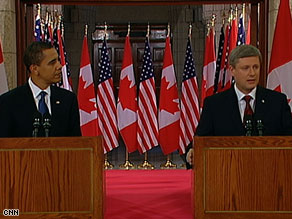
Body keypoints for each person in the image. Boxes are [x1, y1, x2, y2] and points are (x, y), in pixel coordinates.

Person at [186, 44, 292, 166]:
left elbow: (288, 140)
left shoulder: (277, 101)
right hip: (227, 174)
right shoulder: (215, 104)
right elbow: (201, 140)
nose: (252, 73)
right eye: (245, 68)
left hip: (270, 172)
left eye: (256, 67)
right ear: (232, 70)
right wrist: (192, 152)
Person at [0, 41, 81, 137]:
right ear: (34, 69)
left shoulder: (68, 100)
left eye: (58, 60)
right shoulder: (8, 102)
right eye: (52, 63)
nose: (59, 66)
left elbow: (76, 143)